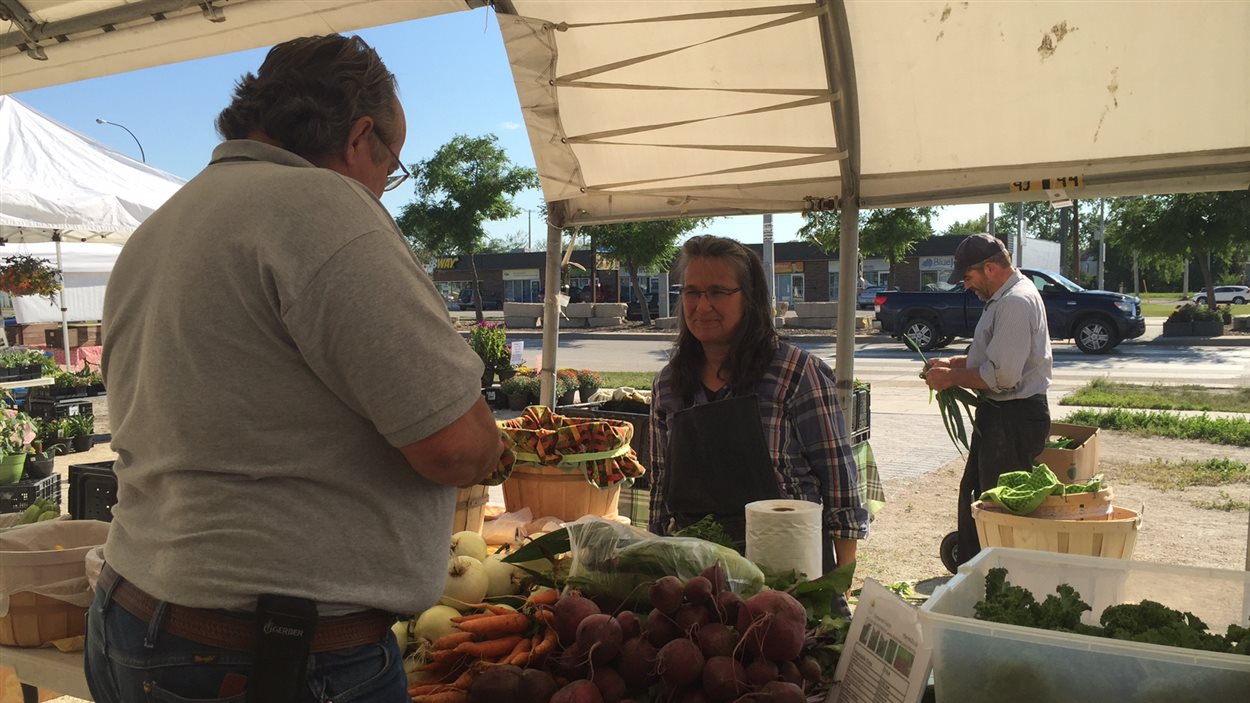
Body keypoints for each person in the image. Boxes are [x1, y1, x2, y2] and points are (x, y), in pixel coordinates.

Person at [86, 35, 502, 703]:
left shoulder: (164, 226)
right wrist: (491, 441)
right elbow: (452, 446)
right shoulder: (322, 208)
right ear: (361, 136)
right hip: (268, 659)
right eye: (391, 167)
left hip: (137, 616)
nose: (383, 193)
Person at [648, 235, 867, 574]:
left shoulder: (796, 373)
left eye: (718, 292)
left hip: (789, 568)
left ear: (749, 298)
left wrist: (843, 573)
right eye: (691, 292)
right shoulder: (668, 386)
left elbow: (839, 480)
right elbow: (661, 488)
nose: (702, 306)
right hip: (698, 573)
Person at [923, 233, 1053, 566]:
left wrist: (951, 378)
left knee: (996, 510)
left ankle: (995, 580)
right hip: (1002, 418)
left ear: (990, 268)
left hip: (1013, 418)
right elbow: (992, 358)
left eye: (968, 277)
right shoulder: (1005, 298)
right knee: (977, 497)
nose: (966, 285)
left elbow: (1003, 376)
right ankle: (977, 573)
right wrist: (952, 364)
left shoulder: (1014, 303)